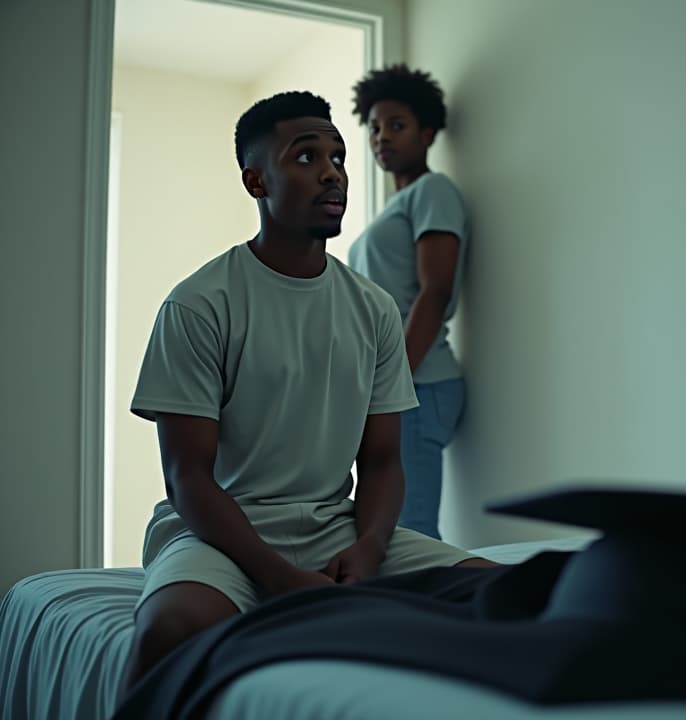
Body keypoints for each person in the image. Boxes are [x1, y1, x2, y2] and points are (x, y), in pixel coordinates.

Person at [116, 91, 494, 704]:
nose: (332, 171)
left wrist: (369, 549)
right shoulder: (199, 304)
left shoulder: (372, 309)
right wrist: (280, 579)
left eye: (339, 157)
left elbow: (380, 462)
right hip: (220, 534)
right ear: (256, 179)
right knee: (170, 630)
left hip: (336, 526)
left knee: (508, 591)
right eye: (306, 156)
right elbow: (188, 476)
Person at [348, 65, 469, 540]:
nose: (382, 137)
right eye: (374, 127)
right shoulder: (393, 208)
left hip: (419, 384)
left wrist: (392, 382)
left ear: (428, 132)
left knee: (410, 533)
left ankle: (424, 614)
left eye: (396, 125)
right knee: (388, 529)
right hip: (398, 388)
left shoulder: (433, 191)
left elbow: (434, 290)